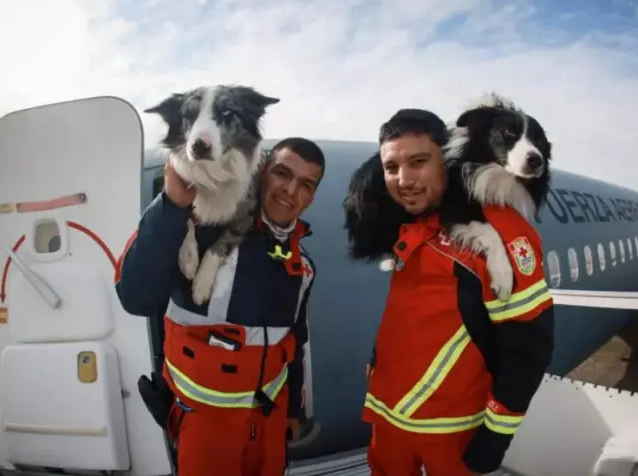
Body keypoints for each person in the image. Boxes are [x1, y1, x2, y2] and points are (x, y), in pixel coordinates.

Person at [115, 137, 325, 476]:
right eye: (282, 173)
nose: (290, 189)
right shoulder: (200, 237)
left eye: (305, 184)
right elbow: (136, 296)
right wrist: (172, 206)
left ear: (311, 196)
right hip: (205, 427)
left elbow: (294, 343)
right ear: (260, 173)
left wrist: (295, 412)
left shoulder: (302, 266)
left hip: (268, 424)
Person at [361, 109, 555, 476]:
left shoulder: (501, 236)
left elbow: (529, 348)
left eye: (419, 162)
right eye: (392, 167)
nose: (405, 180)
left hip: (452, 435)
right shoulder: (413, 221)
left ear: (448, 157)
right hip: (388, 423)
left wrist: (496, 435)